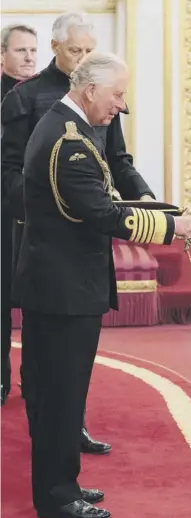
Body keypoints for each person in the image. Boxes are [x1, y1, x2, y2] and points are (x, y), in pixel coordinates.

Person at [11, 51, 191, 518]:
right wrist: (174, 228)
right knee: (62, 394)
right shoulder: (70, 141)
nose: (121, 104)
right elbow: (101, 212)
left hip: (56, 283)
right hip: (64, 289)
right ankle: (57, 495)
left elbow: (105, 201)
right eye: (117, 94)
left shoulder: (68, 127)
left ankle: (61, 482)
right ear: (90, 90)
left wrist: (171, 218)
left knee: (54, 392)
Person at [1, 12, 153, 453]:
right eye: (76, 51)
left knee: (72, 353)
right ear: (56, 49)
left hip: (86, 227)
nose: (84, 57)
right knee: (45, 342)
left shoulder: (103, 95)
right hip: (39, 230)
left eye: (89, 49)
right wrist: (41, 212)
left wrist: (143, 197)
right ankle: (47, 430)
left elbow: (117, 160)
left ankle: (67, 428)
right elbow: (10, 172)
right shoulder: (25, 98)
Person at [1, 23, 38, 407]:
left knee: (33, 298)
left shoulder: (43, 96)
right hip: (1, 211)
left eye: (33, 51)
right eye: (20, 50)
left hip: (33, 213)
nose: (29, 57)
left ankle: (33, 380)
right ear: (2, 55)